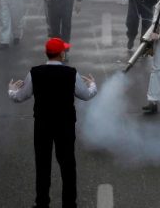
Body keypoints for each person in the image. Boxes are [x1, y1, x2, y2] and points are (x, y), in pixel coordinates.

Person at [8, 38, 97, 208]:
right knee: (68, 165)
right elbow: (86, 95)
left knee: (42, 165)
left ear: (46, 53)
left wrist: (11, 90)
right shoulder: (72, 73)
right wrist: (93, 85)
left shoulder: (35, 72)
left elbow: (20, 97)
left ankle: (42, 203)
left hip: (42, 126)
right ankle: (69, 204)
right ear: (62, 54)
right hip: (65, 126)